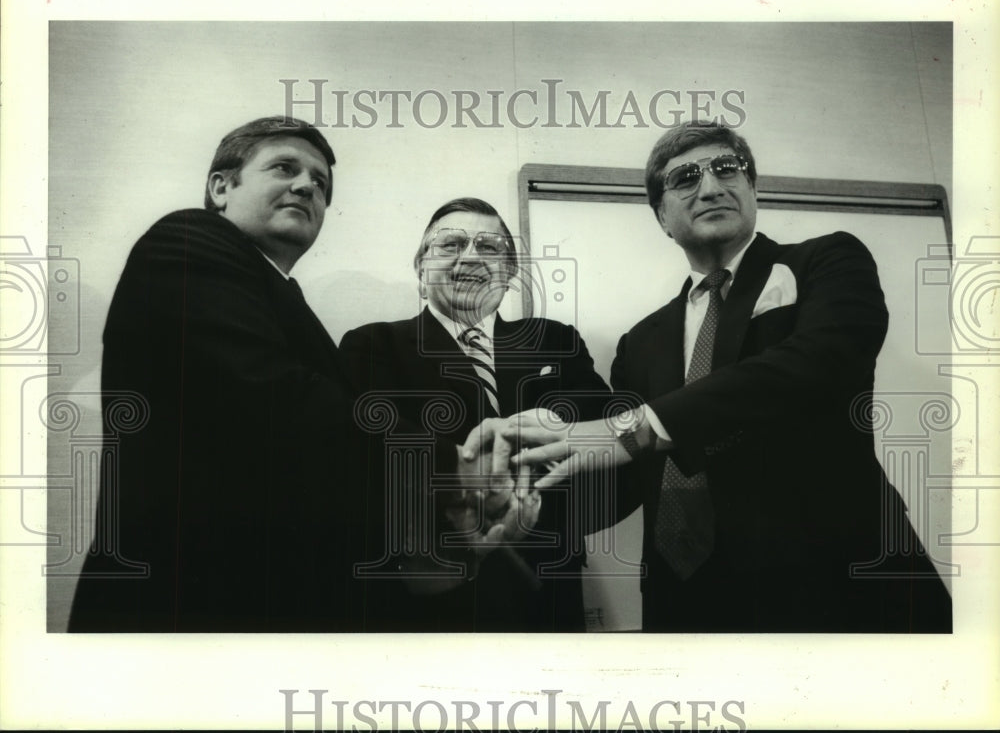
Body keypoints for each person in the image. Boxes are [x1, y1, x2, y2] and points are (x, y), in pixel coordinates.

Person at [483, 120, 953, 633]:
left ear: (752, 187)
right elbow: (629, 476)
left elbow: (817, 362)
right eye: (685, 178)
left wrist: (637, 426)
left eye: (727, 169)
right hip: (688, 605)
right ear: (661, 215)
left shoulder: (828, 260)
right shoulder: (640, 343)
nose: (710, 187)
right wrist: (533, 512)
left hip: (841, 587)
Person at [67, 118, 513, 632]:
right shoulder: (186, 241)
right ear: (220, 187)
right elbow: (281, 403)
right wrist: (452, 465)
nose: (307, 185)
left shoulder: (280, 297)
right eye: (285, 167)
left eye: (320, 183)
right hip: (183, 608)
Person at [339, 198, 613, 631]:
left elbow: (599, 415)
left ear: (508, 272)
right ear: (420, 267)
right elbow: (369, 449)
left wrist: (529, 429)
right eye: (450, 244)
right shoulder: (373, 346)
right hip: (430, 586)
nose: (470, 256)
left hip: (547, 580)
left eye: (489, 247)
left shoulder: (553, 339)